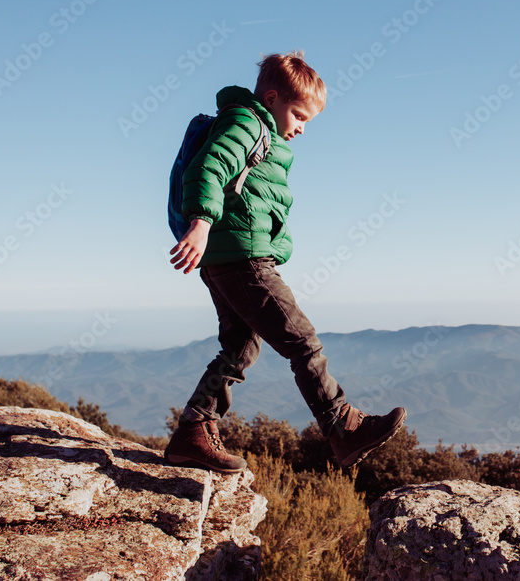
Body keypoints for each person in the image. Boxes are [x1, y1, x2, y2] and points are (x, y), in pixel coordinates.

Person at [163, 51, 405, 473]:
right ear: (271, 98)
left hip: (227, 258)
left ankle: (193, 431)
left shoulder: (258, 130)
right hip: (243, 258)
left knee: (240, 347)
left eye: (308, 121)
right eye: (298, 115)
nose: (301, 128)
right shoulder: (247, 123)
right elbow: (209, 166)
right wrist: (201, 222)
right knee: (302, 341)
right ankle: (342, 427)